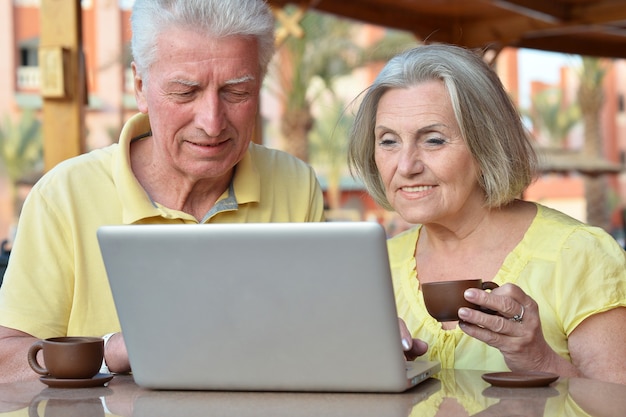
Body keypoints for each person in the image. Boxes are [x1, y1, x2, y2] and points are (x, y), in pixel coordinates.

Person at [0, 0, 325, 382]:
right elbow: (6, 360)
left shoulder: (296, 184)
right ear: (140, 87)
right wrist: (110, 351)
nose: (212, 122)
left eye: (236, 93)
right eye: (185, 92)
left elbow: (320, 331)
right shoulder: (64, 196)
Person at [348, 44, 626, 384]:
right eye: (388, 141)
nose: (405, 166)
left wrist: (539, 359)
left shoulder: (581, 255)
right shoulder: (372, 267)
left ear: (487, 144)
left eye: (433, 140)